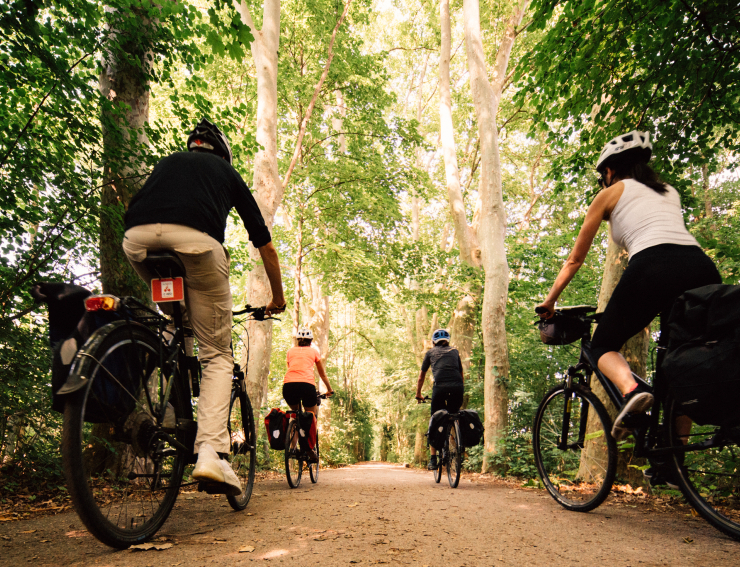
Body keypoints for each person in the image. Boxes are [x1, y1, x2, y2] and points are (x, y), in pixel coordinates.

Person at [122, 118, 286, 496]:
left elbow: (136, 207)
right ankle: (210, 452)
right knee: (216, 355)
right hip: (197, 246)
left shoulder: (166, 164)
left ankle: (163, 397)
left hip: (138, 242)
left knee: (174, 321)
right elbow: (266, 246)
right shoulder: (226, 173)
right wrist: (277, 298)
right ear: (223, 152)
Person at [536, 130, 721, 441]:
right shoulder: (668, 192)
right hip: (701, 268)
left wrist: (550, 301)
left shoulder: (609, 193)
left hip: (654, 265)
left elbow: (574, 261)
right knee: (681, 365)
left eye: (602, 177)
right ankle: (672, 460)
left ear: (609, 171)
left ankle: (632, 391)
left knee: (602, 345)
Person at [415, 329, 465, 470]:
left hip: (440, 389)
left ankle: (433, 459)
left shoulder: (430, 353)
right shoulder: (454, 352)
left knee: (435, 419)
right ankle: (458, 445)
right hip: (457, 388)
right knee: (455, 414)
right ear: (448, 340)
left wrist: (418, 394)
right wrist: (460, 388)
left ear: (433, 342)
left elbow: (421, 377)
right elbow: (461, 373)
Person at [283, 328, 334, 462]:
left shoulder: (290, 352)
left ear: (298, 341)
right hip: (307, 386)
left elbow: (291, 368)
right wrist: (329, 389)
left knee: (294, 414)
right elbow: (322, 374)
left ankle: (293, 448)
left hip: (289, 386)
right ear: (310, 342)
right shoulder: (314, 352)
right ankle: (309, 448)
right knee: (310, 417)